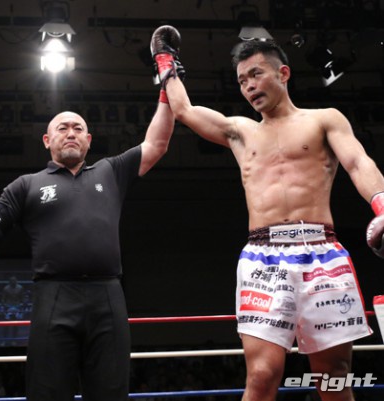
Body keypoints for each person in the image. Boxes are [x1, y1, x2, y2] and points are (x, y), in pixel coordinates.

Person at [150, 26, 384, 401]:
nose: (249, 86)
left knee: (334, 376)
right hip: (265, 257)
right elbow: (184, 110)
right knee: (261, 375)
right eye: (242, 81)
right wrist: (165, 62)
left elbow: (358, 162)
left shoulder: (324, 119)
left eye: (256, 74)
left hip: (322, 253)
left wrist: (381, 204)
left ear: (283, 73)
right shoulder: (240, 131)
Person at [0, 97, 175, 399]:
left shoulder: (111, 171)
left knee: (111, 391)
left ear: (88, 140)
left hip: (108, 296)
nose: (71, 133)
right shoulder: (26, 185)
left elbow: (157, 144)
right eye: (63, 128)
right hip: (53, 296)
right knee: (47, 392)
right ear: (46, 140)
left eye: (78, 129)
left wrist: (166, 92)